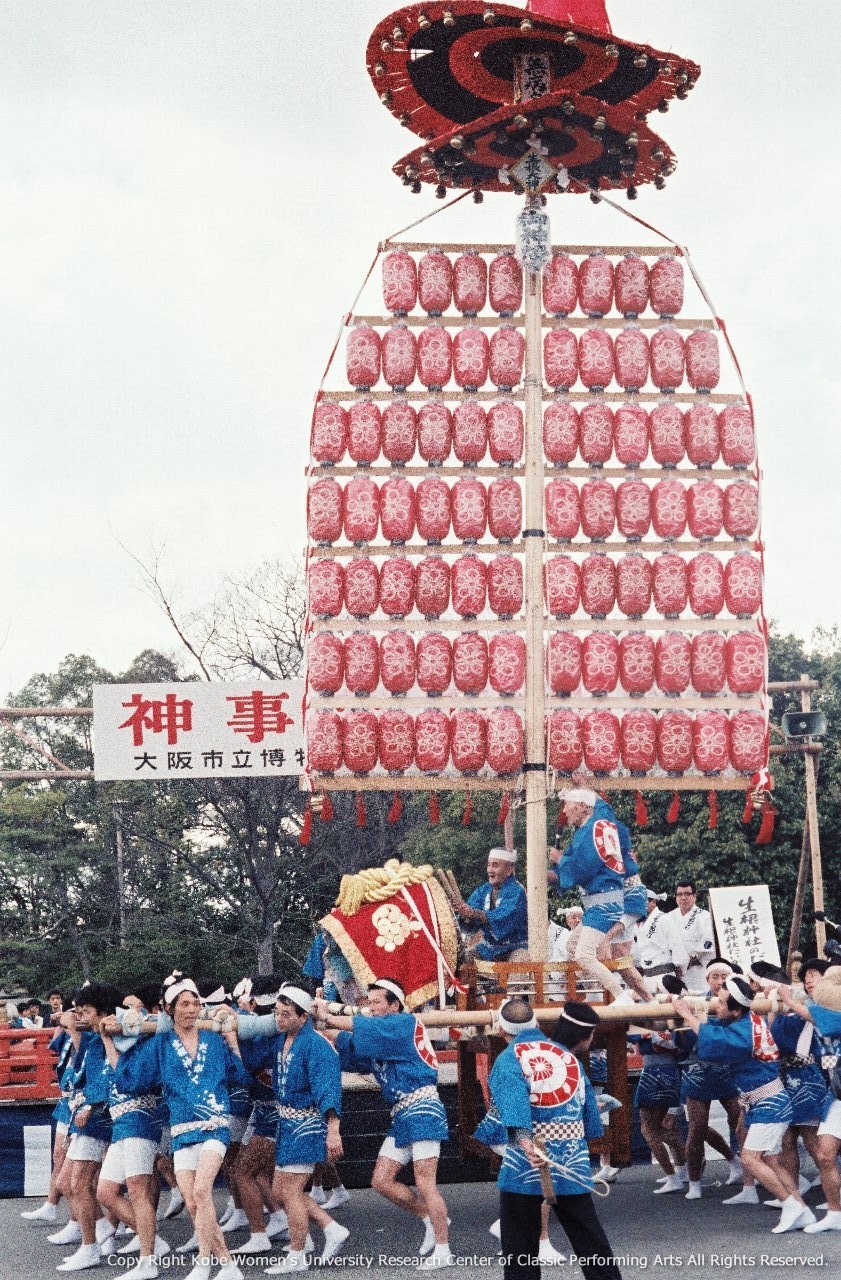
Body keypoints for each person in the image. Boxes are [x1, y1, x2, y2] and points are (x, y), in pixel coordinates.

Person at [115, 972, 249, 1280]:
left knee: (201, 1191)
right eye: (184, 1004)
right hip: (181, 1129)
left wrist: (232, 1043)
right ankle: (228, 1265)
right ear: (169, 1008)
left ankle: (203, 1263)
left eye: (195, 1004)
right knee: (192, 1201)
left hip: (214, 1124)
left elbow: (240, 1077)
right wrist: (121, 1039)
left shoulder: (213, 1040)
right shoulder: (160, 1044)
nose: (191, 1010)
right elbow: (130, 1081)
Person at [313, 979, 452, 1269]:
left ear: (394, 1004)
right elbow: (347, 1042)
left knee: (425, 1183)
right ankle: (430, 1217)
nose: (371, 1007)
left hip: (423, 1109)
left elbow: (357, 1028)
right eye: (370, 1002)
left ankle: (443, 1248)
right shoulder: (381, 1034)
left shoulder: (404, 1023)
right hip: (402, 1115)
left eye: (377, 1002)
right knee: (381, 1181)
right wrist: (318, 1023)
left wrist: (327, 1016)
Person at [490, 996, 622, 1280]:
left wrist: (526, 1143)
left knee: (520, 1249)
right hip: (570, 1159)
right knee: (590, 1241)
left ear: (501, 1030)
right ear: (537, 1024)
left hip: (527, 1160)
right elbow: (587, 1111)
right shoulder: (568, 1058)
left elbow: (514, 1105)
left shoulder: (509, 1059)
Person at [673, 975, 814, 1234]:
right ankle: (802, 1209)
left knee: (750, 1158)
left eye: (721, 1002)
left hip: (769, 1103)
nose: (716, 1005)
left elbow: (715, 1041)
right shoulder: (749, 1020)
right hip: (769, 1102)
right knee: (772, 1160)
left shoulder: (745, 1031)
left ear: (736, 1009)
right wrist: (693, 1013)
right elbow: (716, 1032)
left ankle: (790, 1205)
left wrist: (687, 1015)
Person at [231, 982, 350, 1272]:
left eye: (286, 1014)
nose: (279, 1019)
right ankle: (330, 1227)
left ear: (303, 1016)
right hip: (287, 1124)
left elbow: (328, 1090)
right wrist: (234, 1024)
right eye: (277, 1013)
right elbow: (253, 1060)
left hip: (307, 1124)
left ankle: (297, 1255)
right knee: (280, 1190)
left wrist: (333, 1130)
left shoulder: (317, 1045)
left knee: (291, 1191)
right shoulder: (281, 1041)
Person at [50, 982, 121, 1272]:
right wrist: (74, 1029)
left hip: (97, 1115)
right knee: (67, 1182)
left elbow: (108, 1077)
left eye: (85, 1011)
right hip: (84, 1112)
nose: (79, 1015)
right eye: (77, 1010)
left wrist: (90, 1105)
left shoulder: (111, 1037)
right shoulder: (91, 1039)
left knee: (78, 1183)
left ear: (102, 1012)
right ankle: (102, 1230)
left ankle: (91, 1246)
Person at [548, 789, 633, 1005]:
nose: (564, 810)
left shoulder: (592, 831)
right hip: (599, 902)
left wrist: (559, 861)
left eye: (568, 805)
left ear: (584, 807)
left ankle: (621, 995)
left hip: (604, 902)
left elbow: (584, 868)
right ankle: (597, 993)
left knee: (583, 955)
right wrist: (556, 874)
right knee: (572, 946)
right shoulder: (594, 827)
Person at [457, 848, 528, 962]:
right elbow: (472, 913)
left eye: (495, 865)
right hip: (489, 948)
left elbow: (504, 918)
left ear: (509, 870)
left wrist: (473, 913)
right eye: (488, 865)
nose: (490, 870)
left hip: (516, 947)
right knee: (461, 960)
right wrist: (465, 915)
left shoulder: (516, 891)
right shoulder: (483, 890)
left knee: (520, 961)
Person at [664, 882, 714, 994]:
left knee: (699, 998)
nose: (683, 898)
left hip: (697, 970)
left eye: (687, 894)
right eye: (679, 894)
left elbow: (707, 944)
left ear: (694, 896)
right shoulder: (668, 917)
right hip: (674, 971)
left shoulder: (704, 916)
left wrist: (685, 963)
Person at [633, 892, 674, 991]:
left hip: (664, 974)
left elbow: (676, 946)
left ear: (654, 902)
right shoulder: (639, 924)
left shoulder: (664, 918)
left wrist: (680, 968)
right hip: (645, 975)